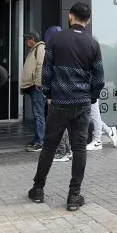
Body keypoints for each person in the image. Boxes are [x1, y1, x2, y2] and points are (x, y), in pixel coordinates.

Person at [28, 3, 105, 211]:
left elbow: (46, 72)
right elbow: (99, 78)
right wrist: (91, 97)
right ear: (87, 20)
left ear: (71, 17)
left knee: (49, 147)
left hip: (59, 103)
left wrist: (48, 94)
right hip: (81, 104)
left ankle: (37, 189)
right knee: (79, 149)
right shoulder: (93, 44)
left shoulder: (55, 40)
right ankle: (73, 196)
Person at [43, 26, 73, 163]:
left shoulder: (53, 52)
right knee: (63, 123)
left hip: (57, 93)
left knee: (57, 124)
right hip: (68, 93)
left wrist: (48, 94)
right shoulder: (69, 50)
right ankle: (67, 150)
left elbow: (48, 73)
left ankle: (61, 152)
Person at [21, 30, 47, 152]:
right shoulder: (34, 50)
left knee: (39, 114)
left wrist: (38, 82)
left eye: (27, 39)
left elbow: (40, 66)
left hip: (37, 86)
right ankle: (37, 138)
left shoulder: (40, 48)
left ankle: (40, 142)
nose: (26, 41)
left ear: (32, 39)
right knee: (37, 113)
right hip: (33, 86)